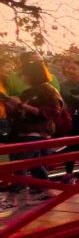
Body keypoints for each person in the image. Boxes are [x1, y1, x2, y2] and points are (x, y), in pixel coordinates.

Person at [3, 61, 64, 194]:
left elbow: (52, 112)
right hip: (22, 130)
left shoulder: (49, 90)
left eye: (24, 75)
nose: (22, 78)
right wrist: (9, 103)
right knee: (33, 163)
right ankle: (41, 186)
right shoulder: (28, 91)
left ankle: (19, 188)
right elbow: (17, 110)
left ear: (32, 75)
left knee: (21, 163)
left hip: (37, 131)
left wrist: (23, 105)